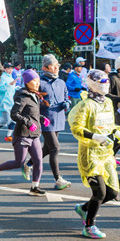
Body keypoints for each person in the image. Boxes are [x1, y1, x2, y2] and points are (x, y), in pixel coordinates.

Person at [69, 70, 120, 239]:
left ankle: (84, 208)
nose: (106, 84)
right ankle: (89, 225)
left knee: (113, 192)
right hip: (91, 154)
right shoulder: (85, 105)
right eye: (101, 82)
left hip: (106, 154)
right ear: (92, 84)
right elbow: (76, 128)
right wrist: (95, 136)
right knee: (99, 192)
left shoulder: (107, 102)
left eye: (106, 81)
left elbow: (110, 125)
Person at [0, 70, 47, 196]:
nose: (37, 83)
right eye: (34, 81)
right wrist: (28, 123)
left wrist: (41, 118)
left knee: (38, 160)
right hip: (22, 135)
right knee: (18, 162)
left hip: (34, 135)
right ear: (27, 82)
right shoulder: (22, 96)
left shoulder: (34, 94)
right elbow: (14, 114)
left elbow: (31, 113)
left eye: (38, 81)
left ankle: (35, 187)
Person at [36, 54, 72, 190]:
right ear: (45, 67)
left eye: (57, 65)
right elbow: (34, 102)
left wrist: (66, 103)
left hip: (59, 119)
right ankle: (58, 179)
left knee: (47, 148)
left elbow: (65, 96)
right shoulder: (40, 83)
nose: (57, 67)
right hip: (46, 121)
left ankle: (29, 164)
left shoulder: (61, 82)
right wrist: (42, 104)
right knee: (55, 148)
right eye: (53, 65)